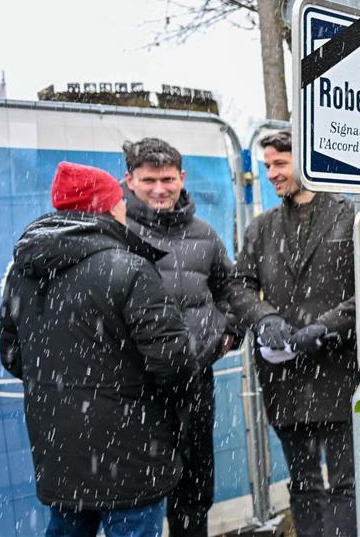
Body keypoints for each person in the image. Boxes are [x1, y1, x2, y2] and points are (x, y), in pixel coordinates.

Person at [0, 162, 197, 537]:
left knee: (67, 528)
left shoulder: (23, 271)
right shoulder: (129, 268)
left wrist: (65, 391)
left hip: (60, 451)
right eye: (119, 200)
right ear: (105, 206)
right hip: (132, 452)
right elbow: (173, 361)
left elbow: (12, 355)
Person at [232, 130, 357, 537]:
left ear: (307, 161)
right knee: (303, 484)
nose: (271, 173)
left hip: (339, 373)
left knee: (346, 484)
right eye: (268, 164)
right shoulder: (261, 228)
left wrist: (327, 326)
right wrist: (264, 318)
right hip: (284, 379)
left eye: (280, 163)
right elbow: (239, 285)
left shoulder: (351, 215)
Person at [122, 138, 240, 537]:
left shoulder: (205, 234)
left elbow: (232, 290)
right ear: (130, 180)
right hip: (135, 390)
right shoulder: (117, 231)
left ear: (182, 177)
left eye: (168, 179)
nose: (159, 189)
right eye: (149, 180)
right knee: (136, 499)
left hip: (195, 384)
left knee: (193, 493)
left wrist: (229, 332)